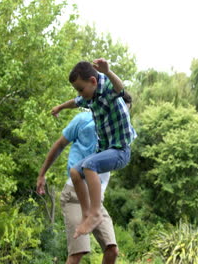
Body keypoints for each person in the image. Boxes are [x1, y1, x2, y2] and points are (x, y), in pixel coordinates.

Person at [36, 94, 134, 263]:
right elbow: (59, 145)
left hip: (96, 202)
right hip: (74, 196)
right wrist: (42, 173)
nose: (121, 116)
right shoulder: (84, 120)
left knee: (112, 250)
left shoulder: (121, 134)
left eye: (125, 113)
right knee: (77, 253)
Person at [51, 59, 135, 239]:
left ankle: (95, 213)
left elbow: (120, 89)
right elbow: (75, 101)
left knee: (89, 165)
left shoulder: (107, 91)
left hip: (120, 150)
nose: (80, 93)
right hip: (106, 151)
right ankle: (87, 214)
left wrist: (108, 71)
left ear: (93, 81)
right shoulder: (90, 97)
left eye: (81, 88)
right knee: (75, 172)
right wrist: (60, 107)